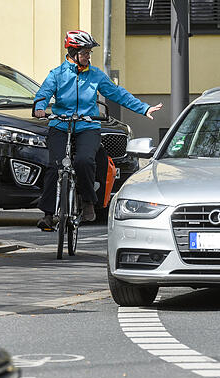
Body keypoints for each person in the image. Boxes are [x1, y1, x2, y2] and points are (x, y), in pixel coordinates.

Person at [33, 30, 163, 230]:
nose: (88, 56)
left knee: (85, 161)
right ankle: (48, 214)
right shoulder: (57, 75)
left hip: (88, 125)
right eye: (85, 52)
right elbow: (44, 93)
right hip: (60, 125)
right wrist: (40, 108)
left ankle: (87, 203)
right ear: (72, 52)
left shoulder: (95, 76)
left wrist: (143, 108)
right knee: (55, 165)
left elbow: (117, 93)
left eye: (89, 53)